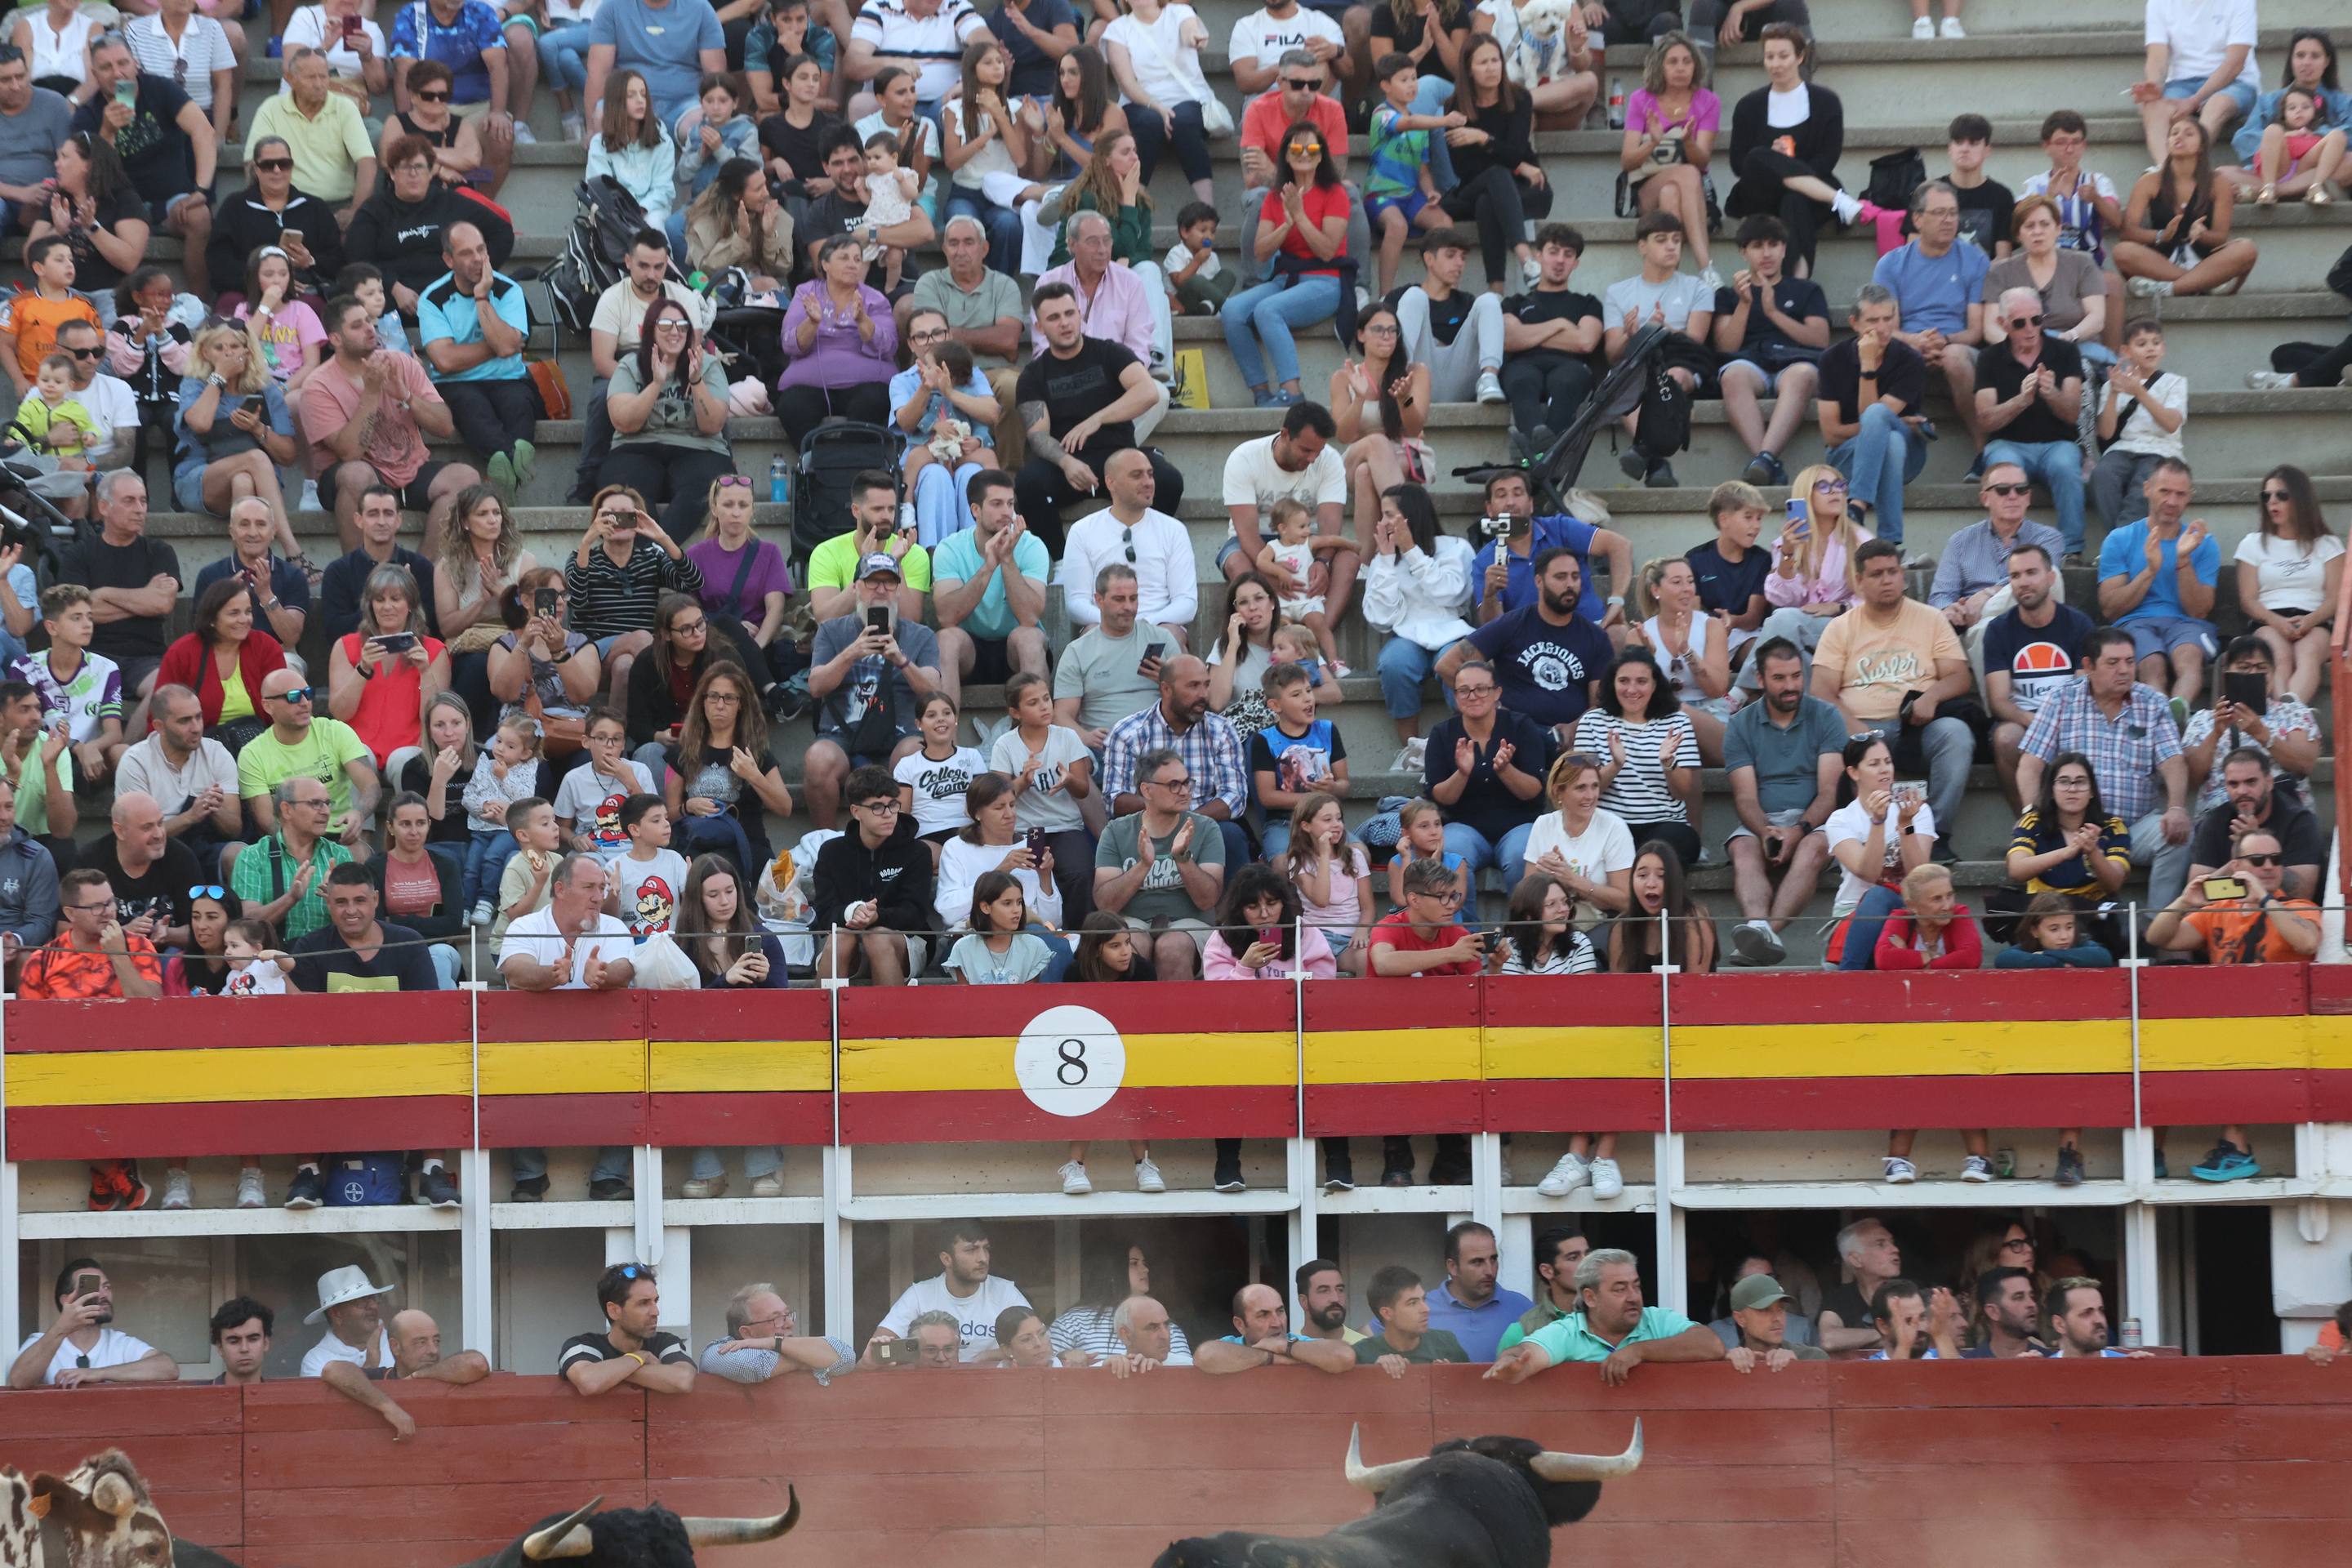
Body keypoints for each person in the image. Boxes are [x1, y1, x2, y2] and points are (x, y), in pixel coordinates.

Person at [1811, 538, 1972, 844]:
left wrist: (1932, 696)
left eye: (1893, 572)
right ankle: (1856, 839)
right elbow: (1821, 691)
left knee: (1957, 735)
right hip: (1860, 728)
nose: (1887, 580)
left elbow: (1959, 677)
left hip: (1917, 728)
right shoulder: (1841, 627)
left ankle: (1933, 835)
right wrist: (1861, 735)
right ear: (1859, 581)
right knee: (1833, 745)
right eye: (1877, 574)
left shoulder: (1931, 619)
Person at [302, 295, 476, 559]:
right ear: (336, 339)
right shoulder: (318, 385)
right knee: (356, 474)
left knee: (465, 478)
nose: (369, 329)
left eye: (369, 322)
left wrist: (407, 396)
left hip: (409, 471)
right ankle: (362, 576)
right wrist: (371, 394)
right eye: (357, 326)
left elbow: (445, 426)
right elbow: (349, 453)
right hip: (352, 478)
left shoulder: (401, 362)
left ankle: (418, 574)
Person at [1012, 283, 1177, 555]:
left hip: (1118, 455)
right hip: (1068, 463)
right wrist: (1067, 463)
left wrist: (1096, 419)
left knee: (1168, 480)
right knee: (1029, 484)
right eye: (1054, 318)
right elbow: (1038, 435)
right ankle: (1059, 561)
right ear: (1040, 327)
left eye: (1069, 314)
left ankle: (1145, 552)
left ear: (1081, 315)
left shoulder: (1109, 352)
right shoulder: (1033, 375)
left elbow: (1148, 392)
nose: (1064, 323)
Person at [72, 33, 218, 297]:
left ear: (135, 64)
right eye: (106, 67)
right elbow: (91, 178)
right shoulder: (88, 114)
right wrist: (107, 133)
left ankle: (201, 303)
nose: (117, 73)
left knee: (200, 215)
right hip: (121, 208)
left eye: (123, 63)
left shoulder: (161, 90)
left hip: (171, 201)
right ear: (94, 73)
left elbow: (203, 131)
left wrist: (201, 190)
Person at [804, 553, 941, 829]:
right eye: (872, 582)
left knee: (916, 754)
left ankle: (902, 840)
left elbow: (934, 691)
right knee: (818, 759)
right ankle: (824, 842)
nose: (881, 590)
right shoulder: (832, 631)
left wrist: (901, 660)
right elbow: (816, 687)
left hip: (902, 735)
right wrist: (850, 654)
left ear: (899, 589)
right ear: (855, 587)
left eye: (889, 583)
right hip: (842, 737)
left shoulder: (921, 635)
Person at [1721, 24, 1861, 281]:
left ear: (1800, 57)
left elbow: (1828, 158)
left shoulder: (1826, 102)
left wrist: (1788, 170)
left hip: (1811, 195)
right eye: (1769, 56)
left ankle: (1795, 285)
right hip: (1762, 194)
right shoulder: (1748, 106)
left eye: (1783, 56)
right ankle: (1837, 199)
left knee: (1795, 201)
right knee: (1757, 156)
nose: (1776, 64)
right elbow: (1740, 164)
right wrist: (1774, 162)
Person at [1484, 1248, 1725, 1387]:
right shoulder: (1568, 1331)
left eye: (1636, 1286)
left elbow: (1711, 1345)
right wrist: (1511, 1362)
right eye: (1620, 1289)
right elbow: (1526, 1354)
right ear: (1590, 1297)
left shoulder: (1656, 1320)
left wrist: (1639, 1351)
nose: (1633, 1297)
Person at [417, 222, 540, 492]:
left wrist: (482, 297)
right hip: (455, 384)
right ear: (448, 260)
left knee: (519, 403)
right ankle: (510, 466)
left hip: (509, 378)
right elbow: (445, 361)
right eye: (466, 253)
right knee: (472, 407)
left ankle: (509, 469)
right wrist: (497, 344)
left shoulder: (508, 290)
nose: (478, 259)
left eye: (481, 250)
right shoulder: (432, 299)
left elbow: (508, 349)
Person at [1441, 548, 1612, 738]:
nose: (1570, 584)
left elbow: (1600, 705)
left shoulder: (1596, 638)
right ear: (1539, 581)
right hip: (1511, 737)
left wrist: (1577, 727)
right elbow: (1448, 665)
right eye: (1560, 577)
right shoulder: (1513, 624)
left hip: (1568, 742)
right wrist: (1491, 708)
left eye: (1575, 577)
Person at [1363, 481, 1475, 764]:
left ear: (1409, 516)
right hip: (1406, 635)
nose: (1382, 522)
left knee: (1461, 667)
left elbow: (1450, 593)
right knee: (1394, 665)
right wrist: (1388, 561)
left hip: (1452, 629)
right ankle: (1410, 750)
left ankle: (1468, 743)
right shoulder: (1383, 558)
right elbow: (1381, 618)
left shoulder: (1455, 548)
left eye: (1389, 515)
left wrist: (1412, 550)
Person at [1711, 216, 1828, 488]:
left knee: (1802, 375)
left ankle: (1764, 460)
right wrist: (1744, 304)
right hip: (1751, 362)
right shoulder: (1728, 296)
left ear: (1784, 249)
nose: (1766, 253)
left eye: (1773, 245)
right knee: (1732, 376)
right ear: (1743, 252)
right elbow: (1726, 347)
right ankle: (1766, 460)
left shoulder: (1806, 290)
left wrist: (1774, 313)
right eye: (1757, 246)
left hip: (1795, 359)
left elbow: (1820, 340)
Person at [172, 320, 302, 562]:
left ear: (247, 351)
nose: (228, 353)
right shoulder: (194, 384)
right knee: (255, 459)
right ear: (205, 352)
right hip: (201, 477)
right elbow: (199, 423)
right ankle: (293, 550)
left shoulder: (267, 390)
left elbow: (288, 455)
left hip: (257, 483)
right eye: (219, 348)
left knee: (243, 480)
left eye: (234, 346)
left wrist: (258, 429)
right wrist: (220, 375)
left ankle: (247, 567)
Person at [1093, 744, 1224, 980]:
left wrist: (1182, 858)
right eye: (1174, 785)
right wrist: (1143, 865)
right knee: (1130, 946)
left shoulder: (1205, 828)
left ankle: (1180, 1017)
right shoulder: (1116, 831)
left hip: (1192, 924)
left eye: (1187, 783)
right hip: (1132, 923)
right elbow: (1105, 904)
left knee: (1172, 947)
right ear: (1147, 790)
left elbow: (1208, 900)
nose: (1185, 791)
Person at [1976, 287, 2088, 561]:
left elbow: (2073, 413)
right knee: (2004, 472)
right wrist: (2022, 400)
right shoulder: (1989, 358)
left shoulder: (2065, 352)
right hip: (2007, 443)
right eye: (2019, 323)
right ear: (2003, 324)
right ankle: (2007, 548)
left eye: (2036, 320)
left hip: (2057, 443)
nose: (2030, 329)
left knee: (2065, 467)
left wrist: (2051, 394)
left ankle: (2071, 550)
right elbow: (1985, 419)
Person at [1436, 35, 1552, 292]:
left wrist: (1481, 138)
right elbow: (1464, 168)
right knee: (1495, 177)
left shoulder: (1520, 98)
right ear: (1468, 70)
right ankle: (1526, 258)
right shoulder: (1455, 106)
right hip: (1473, 185)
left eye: (1496, 60)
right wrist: (1517, 165)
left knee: (1489, 201)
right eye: (1483, 62)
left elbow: (1517, 150)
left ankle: (1495, 292)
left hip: (1526, 188)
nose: (1492, 68)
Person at [1815, 287, 1926, 554]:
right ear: (1854, 323)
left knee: (1880, 419)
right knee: (1890, 439)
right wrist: (1867, 363)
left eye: (1889, 319)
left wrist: (1876, 423)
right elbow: (1831, 435)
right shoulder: (1832, 359)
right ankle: (1891, 543)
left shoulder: (1910, 361)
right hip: (1848, 457)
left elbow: (1869, 417)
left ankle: (1856, 506)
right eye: (1873, 321)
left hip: (1909, 460)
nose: (1883, 328)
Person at [1570, 648, 1699, 866]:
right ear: (1612, 683)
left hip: (1665, 823)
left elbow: (1683, 791)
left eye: (1641, 681)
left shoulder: (1677, 722)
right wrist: (1616, 765)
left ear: (1655, 684)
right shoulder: (1591, 722)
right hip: (1608, 823)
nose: (1632, 689)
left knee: (1662, 853)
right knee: (1613, 849)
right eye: (1623, 681)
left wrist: (1668, 763)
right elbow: (1582, 791)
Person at [1929, 463, 2069, 663]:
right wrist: (1951, 610)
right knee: (1987, 630)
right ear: (1985, 498)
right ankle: (1996, 696)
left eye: (2020, 490)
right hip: (1977, 623)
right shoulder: (1961, 541)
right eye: (2003, 490)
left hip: (2034, 618)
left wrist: (1985, 595)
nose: (2013, 496)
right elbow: (1941, 595)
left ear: (2028, 497)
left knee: (2049, 575)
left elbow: (2038, 584)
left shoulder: (2048, 537)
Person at [664, 664, 794, 878]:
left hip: (745, 842)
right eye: (713, 697)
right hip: (697, 842)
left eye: (729, 698)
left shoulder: (755, 753)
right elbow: (667, 816)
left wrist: (753, 776)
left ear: (741, 704)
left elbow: (785, 808)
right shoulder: (683, 751)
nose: (720, 705)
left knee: (720, 870)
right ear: (703, 701)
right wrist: (687, 807)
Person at [932, 471, 1049, 707]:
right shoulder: (950, 548)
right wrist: (988, 566)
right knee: (946, 639)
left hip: (1015, 651)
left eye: (1010, 504)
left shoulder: (1032, 546)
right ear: (975, 510)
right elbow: (946, 617)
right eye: (996, 504)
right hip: (970, 652)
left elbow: (1029, 617)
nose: (1007, 512)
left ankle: (1034, 741)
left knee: (1029, 637)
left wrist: (1007, 560)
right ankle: (945, 743)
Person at [1823, 731, 1935, 975]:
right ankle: (1849, 978)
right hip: (1854, 913)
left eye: (1888, 762)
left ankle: (1849, 977)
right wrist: (1878, 821)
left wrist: (1906, 824)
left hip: (1907, 908)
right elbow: (1869, 873)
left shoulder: (1918, 811)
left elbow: (1919, 874)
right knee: (1878, 896)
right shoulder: (1840, 820)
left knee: (1886, 898)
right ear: (1854, 772)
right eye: (1874, 764)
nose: (1885, 770)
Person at [813, 761, 933, 985]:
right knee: (841, 937)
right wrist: (851, 913)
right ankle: (824, 1018)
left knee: (877, 937)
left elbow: (915, 914)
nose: (888, 814)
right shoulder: (831, 852)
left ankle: (891, 1019)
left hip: (902, 940)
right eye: (877, 807)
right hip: (845, 942)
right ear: (856, 811)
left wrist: (879, 916)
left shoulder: (917, 852)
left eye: (893, 805)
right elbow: (824, 915)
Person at [1999, 751, 2131, 955]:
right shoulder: (2033, 822)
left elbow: (2114, 883)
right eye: (2063, 782)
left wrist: (2093, 852)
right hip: (2044, 909)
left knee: (2115, 926)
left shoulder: (2112, 826)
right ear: (2051, 789)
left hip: (2092, 911)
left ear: (2092, 791)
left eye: (2080, 782)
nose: (2072, 789)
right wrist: (2067, 852)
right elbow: (2016, 870)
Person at [2114, 118, 2260, 302]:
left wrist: (2203, 234)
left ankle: (2170, 289)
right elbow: (2128, 232)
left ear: (2201, 147)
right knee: (2122, 251)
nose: (2179, 137)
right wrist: (2161, 235)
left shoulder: (2218, 183)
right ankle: (2202, 284)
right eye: (2174, 133)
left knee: (2247, 249)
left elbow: (2220, 237)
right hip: (2162, 262)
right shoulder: (2150, 181)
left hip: (2205, 259)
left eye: (2188, 133)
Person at [987, 672, 1094, 920]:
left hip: (1066, 826)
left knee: (1079, 873)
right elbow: (999, 796)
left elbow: (1084, 789)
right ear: (1015, 712)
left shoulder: (1066, 737)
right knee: (1026, 879)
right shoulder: (1005, 745)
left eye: (1046, 698)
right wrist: (1023, 781)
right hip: (1026, 830)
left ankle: (1079, 940)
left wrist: (1069, 780)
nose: (1044, 706)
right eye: (1033, 703)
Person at [2232, 466, 2342, 705]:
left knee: (2308, 653)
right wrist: (2277, 622)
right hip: (2269, 620)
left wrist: (2309, 621)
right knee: (2278, 656)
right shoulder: (2252, 544)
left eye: (2281, 495)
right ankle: (2286, 716)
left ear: (2300, 498)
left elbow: (2335, 598)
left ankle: (2286, 715)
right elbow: (2248, 600)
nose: (2272, 502)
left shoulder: (2328, 544)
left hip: (2316, 621)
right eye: (2266, 496)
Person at [1060, 448, 1196, 635]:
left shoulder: (1174, 530)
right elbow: (1076, 603)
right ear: (1111, 482)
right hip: (1105, 628)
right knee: (1093, 634)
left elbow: (1187, 601)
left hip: (1158, 627)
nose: (1148, 482)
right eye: (1137, 476)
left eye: (1150, 475)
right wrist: (1114, 622)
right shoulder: (1083, 531)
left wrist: (1146, 623)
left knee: (1171, 634)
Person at [327, 565, 449, 770]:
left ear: (410, 604)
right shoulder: (346, 646)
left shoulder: (434, 650)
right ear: (370, 605)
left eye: (395, 598)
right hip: (360, 744)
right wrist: (363, 668)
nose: (387, 607)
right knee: (358, 755)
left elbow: (434, 719)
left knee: (403, 760)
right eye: (380, 600)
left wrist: (425, 673)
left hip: (410, 746)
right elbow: (340, 712)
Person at [2149, 825, 2321, 969]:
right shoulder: (2220, 910)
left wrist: (2264, 898)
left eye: (2276, 859)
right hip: (2229, 1002)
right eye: (2258, 860)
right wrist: (2183, 901)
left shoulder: (2299, 907)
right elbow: (2158, 938)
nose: (2269, 866)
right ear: (2236, 866)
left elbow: (2308, 944)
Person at [2180, 638, 2319, 815]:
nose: (2253, 674)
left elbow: (2304, 765)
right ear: (2226, 673)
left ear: (2273, 673)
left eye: (2262, 668)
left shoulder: (2293, 713)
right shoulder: (2204, 719)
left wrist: (2263, 734)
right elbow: (2192, 779)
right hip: (2221, 813)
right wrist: (2216, 733)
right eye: (2244, 668)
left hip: (2281, 810)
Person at [867, 1219, 1031, 1364]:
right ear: (946, 1259)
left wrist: (988, 1356)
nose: (983, 1258)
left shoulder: (1005, 1292)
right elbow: (880, 1351)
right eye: (971, 1250)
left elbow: (1039, 1346)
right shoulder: (920, 1295)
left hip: (993, 1390)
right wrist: (926, 1354)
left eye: (986, 1248)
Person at [1499, 223, 1603, 448]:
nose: (1560, 261)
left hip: (1571, 368)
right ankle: (1540, 448)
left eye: (1568, 255)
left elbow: (1585, 343)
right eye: (1553, 252)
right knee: (1522, 380)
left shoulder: (1588, 303)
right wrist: (1561, 324)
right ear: (1538, 257)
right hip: (1523, 367)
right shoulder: (1515, 302)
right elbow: (1510, 340)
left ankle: (1545, 456)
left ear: (1575, 263)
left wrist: (1530, 335)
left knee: (1567, 381)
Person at [115, 684, 241, 871]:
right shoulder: (136, 761)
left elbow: (235, 830)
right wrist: (190, 816)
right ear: (159, 726)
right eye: (185, 721)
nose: (196, 728)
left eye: (199, 717)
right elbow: (137, 838)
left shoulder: (217, 753)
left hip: (205, 845)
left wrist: (214, 809)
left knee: (240, 855)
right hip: (156, 855)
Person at [7, 1260, 179, 1388]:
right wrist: (61, 1328)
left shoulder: (119, 1343)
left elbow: (168, 1368)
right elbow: (19, 1380)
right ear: (66, 1300)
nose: (104, 1294)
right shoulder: (43, 1341)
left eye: (107, 1287)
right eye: (93, 1287)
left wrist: (99, 1373)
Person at [2188, 745, 2325, 903]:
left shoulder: (2299, 820)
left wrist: (2257, 845)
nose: (2242, 791)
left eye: (2251, 782)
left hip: (2284, 914)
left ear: (2269, 783)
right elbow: (2196, 895)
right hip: (2229, 915)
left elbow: (2303, 892)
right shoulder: (2215, 821)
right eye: (2234, 784)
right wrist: (2240, 858)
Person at [2132, 0, 2259, 168]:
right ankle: (2166, 172)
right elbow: (2156, 55)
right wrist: (2153, 86)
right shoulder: (2158, 3)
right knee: (2153, 107)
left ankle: (2193, 170)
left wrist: (2195, 100)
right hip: (2181, 83)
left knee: (2217, 104)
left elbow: (2235, 63)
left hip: (2236, 82)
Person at [194, 498, 311, 679]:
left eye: (261, 524)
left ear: (273, 532)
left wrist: (266, 595)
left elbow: (290, 637)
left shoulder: (293, 576)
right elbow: (200, 634)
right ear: (232, 531)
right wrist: (226, 602)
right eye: (244, 524)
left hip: (277, 653)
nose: (253, 532)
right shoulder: (210, 575)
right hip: (223, 651)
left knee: (288, 672)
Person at [16, 866, 164, 1001]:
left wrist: (119, 956)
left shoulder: (139, 946)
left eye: (110, 902)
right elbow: (31, 1023)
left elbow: (152, 1009)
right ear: (71, 913)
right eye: (96, 907)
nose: (108, 912)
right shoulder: (42, 961)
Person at [322, 483, 442, 648]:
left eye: (388, 513)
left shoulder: (420, 567)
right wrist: (380, 606)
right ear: (359, 520)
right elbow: (334, 630)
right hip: (359, 655)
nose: (381, 521)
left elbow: (433, 626)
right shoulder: (338, 571)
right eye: (372, 514)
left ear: (398, 520)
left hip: (412, 653)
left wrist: (409, 594)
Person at [559, 1263, 697, 1393]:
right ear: (614, 1311)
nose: (655, 1312)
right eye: (643, 1303)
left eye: (655, 1301)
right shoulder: (583, 1344)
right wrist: (641, 1357)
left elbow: (683, 1379)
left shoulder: (664, 1342)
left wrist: (613, 1373)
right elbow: (589, 1382)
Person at [1195, 1283, 1355, 1374]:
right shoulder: (1231, 1344)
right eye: (1263, 1315)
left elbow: (1344, 1355)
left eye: (1280, 1311)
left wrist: (1283, 1346)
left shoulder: (1297, 1343)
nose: (1277, 1323)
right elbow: (1205, 1355)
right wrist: (1270, 1358)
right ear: (1240, 1325)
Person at [1612, 840, 1716, 973]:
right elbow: (1618, 988)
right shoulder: (1621, 927)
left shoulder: (1695, 922)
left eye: (1661, 876)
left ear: (1675, 881)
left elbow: (1696, 987)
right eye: (1642, 875)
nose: (1651, 884)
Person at [1494, 871, 1597, 978]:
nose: (1563, 909)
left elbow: (1583, 993)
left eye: (1565, 901)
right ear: (1528, 915)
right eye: (1551, 904)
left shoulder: (1579, 942)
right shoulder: (1509, 949)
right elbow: (1508, 993)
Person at [1721, 1272, 1829, 1372]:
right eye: (1765, 1310)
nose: (1777, 1318)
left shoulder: (1812, 1358)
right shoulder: (1725, 1362)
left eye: (1781, 1309)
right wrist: (1725, 1365)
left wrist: (1797, 1369)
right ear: (1740, 1318)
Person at [2045, 1276, 2153, 1359]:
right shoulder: (2043, 1372)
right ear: (2059, 1324)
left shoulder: (2124, 1367)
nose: (2099, 1320)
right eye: (2087, 1313)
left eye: (2101, 1311)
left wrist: (2144, 1371)